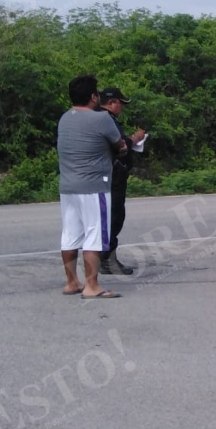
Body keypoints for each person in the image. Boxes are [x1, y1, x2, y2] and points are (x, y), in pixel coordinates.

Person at [57, 74, 126, 299]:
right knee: (95, 234)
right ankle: (92, 286)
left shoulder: (64, 118)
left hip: (68, 186)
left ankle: (71, 282)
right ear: (93, 97)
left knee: (70, 235)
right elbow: (120, 145)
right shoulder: (102, 119)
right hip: (94, 185)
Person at [96, 87, 145, 276]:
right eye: (120, 104)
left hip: (107, 175)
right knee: (114, 216)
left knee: (109, 217)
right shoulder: (106, 119)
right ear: (112, 103)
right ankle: (108, 260)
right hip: (113, 176)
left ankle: (103, 259)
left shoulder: (98, 118)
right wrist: (136, 138)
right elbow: (121, 145)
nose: (121, 108)